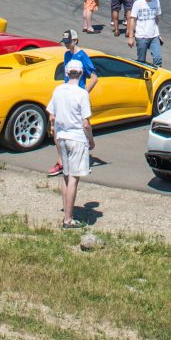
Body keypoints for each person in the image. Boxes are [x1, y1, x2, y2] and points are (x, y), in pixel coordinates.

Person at [47, 59, 95, 229]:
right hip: (76, 138)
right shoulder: (82, 94)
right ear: (81, 74)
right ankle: (68, 219)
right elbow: (86, 123)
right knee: (74, 178)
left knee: (66, 176)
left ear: (67, 73)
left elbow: (51, 114)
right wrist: (91, 140)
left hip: (61, 137)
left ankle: (67, 213)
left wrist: (54, 129)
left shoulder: (58, 90)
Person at [47, 29, 98, 177]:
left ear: (75, 40)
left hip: (78, 96)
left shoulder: (82, 56)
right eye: (65, 42)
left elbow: (94, 77)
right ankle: (62, 161)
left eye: (68, 42)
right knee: (57, 125)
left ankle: (83, 162)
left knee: (82, 127)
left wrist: (85, 92)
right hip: (66, 94)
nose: (66, 45)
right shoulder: (66, 54)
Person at [127, 0, 162, 67]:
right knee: (141, 61)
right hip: (141, 36)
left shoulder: (156, 2)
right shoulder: (138, 3)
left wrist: (158, 34)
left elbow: (157, 18)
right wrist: (131, 37)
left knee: (158, 58)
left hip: (154, 36)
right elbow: (132, 20)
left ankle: (157, 74)